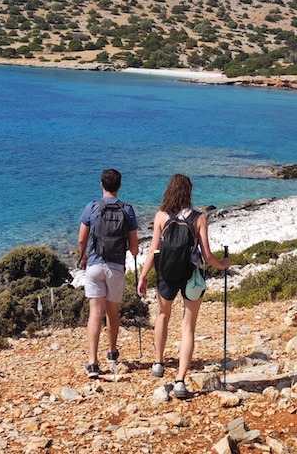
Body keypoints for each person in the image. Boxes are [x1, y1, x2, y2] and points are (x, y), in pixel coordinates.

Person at [137, 173, 231, 398]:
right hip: (191, 275)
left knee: (162, 316)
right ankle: (180, 381)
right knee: (188, 327)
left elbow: (153, 251)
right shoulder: (199, 218)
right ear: (189, 191)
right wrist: (223, 264)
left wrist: (143, 276)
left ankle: (158, 363)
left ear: (169, 190)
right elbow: (207, 256)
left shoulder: (161, 216)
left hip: (166, 274)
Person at [77, 168, 139, 378]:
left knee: (95, 313)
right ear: (119, 186)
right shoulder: (127, 210)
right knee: (113, 312)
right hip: (116, 267)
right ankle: (112, 353)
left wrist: (83, 257)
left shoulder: (92, 207)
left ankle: (92, 363)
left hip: (94, 266)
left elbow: (81, 240)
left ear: (102, 185)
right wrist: (133, 252)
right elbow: (134, 247)